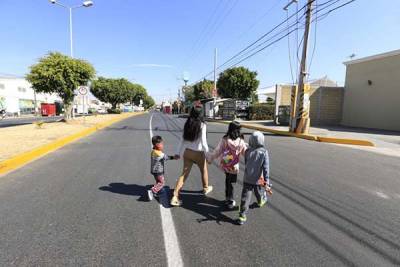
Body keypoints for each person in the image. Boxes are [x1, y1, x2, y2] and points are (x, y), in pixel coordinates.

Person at [171, 103, 213, 207]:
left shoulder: (188, 122)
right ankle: (205, 188)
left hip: (187, 153)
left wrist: (177, 153)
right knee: (204, 170)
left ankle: (175, 196)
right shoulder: (203, 125)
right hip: (199, 154)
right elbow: (204, 142)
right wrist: (208, 155)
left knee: (184, 174)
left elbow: (182, 139)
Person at [207, 121, 247, 209]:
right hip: (234, 167)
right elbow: (245, 153)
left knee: (228, 181)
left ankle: (228, 198)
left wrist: (210, 158)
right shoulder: (241, 141)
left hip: (226, 164)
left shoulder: (225, 139)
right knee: (232, 182)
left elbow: (218, 151)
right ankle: (230, 200)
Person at [237, 131, 272, 225]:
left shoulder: (248, 151)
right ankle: (260, 201)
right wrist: (267, 182)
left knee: (245, 197)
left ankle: (242, 216)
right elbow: (266, 168)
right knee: (258, 192)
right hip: (258, 179)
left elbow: (246, 162)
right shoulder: (264, 152)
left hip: (247, 177)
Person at [148, 135, 177, 201]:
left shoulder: (153, 151)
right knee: (162, 183)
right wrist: (174, 157)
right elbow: (166, 157)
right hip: (158, 171)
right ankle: (152, 191)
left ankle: (157, 191)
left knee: (158, 181)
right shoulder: (158, 153)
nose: (162, 145)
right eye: (161, 144)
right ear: (156, 145)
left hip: (154, 170)